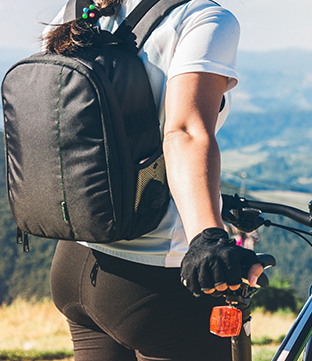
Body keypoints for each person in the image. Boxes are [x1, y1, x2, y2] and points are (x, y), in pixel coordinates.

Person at [42, 1, 262, 360]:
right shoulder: (202, 18)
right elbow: (185, 131)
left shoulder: (79, 8)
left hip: (74, 262)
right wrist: (207, 238)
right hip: (154, 280)